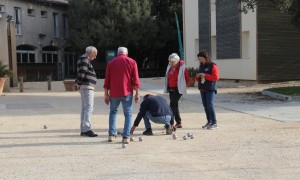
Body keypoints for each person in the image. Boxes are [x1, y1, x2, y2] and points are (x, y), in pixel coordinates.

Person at [103, 47, 140, 144]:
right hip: (127, 92)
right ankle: (126, 137)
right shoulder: (132, 62)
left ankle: (111, 135)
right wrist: (137, 93)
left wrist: (106, 94)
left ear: (117, 53)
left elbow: (107, 79)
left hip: (114, 92)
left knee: (113, 112)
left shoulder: (111, 63)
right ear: (126, 53)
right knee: (128, 114)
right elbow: (135, 79)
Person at [73, 46, 98, 137]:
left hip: (85, 86)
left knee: (85, 108)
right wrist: (78, 83)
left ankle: (83, 129)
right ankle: (87, 128)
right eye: (94, 55)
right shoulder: (85, 59)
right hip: (86, 86)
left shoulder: (83, 59)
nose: (95, 57)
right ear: (90, 53)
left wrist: (77, 83)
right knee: (89, 107)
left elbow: (80, 72)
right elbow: (82, 72)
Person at [164, 53, 189, 128]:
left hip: (178, 89)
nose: (171, 63)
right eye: (170, 62)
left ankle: (170, 122)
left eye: (172, 62)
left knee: (172, 104)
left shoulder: (182, 67)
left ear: (177, 61)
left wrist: (183, 86)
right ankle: (178, 122)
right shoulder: (169, 67)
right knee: (175, 105)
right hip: (171, 88)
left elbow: (187, 78)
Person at [195, 50, 220, 130]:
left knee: (210, 105)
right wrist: (198, 76)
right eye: (199, 59)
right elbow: (197, 79)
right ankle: (209, 122)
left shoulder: (213, 65)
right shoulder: (201, 66)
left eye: (201, 58)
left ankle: (214, 122)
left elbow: (216, 77)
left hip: (210, 89)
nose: (200, 60)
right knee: (205, 106)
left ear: (206, 58)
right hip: (202, 89)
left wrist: (205, 75)